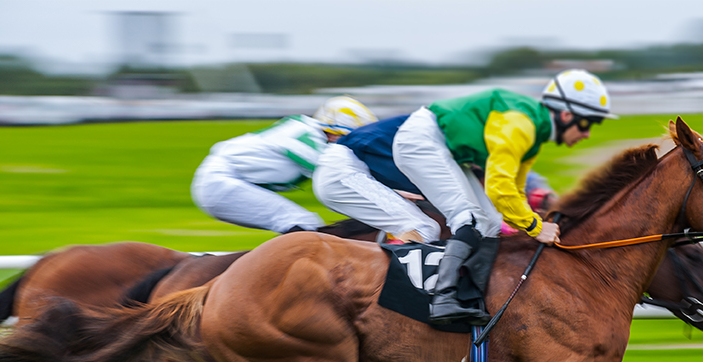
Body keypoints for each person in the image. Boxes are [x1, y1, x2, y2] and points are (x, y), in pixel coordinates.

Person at [392, 69, 615, 324]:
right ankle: (443, 299)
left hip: (442, 145)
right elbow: (499, 187)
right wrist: (535, 226)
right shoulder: (522, 124)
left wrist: (530, 220)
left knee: (490, 221)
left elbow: (515, 190)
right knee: (470, 218)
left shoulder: (535, 132)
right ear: (566, 115)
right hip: (423, 140)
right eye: (588, 124)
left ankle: (471, 297)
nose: (587, 134)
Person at [191, 96, 378, 234]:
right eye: (346, 138)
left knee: (305, 223)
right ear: (330, 129)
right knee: (301, 222)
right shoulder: (306, 136)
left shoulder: (308, 131)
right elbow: (344, 178)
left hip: (225, 181)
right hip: (221, 184)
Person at [312, 115, 441, 243]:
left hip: (344, 170)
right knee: (422, 228)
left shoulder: (427, 123)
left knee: (419, 225)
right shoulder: (434, 129)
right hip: (344, 173)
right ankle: (390, 262)